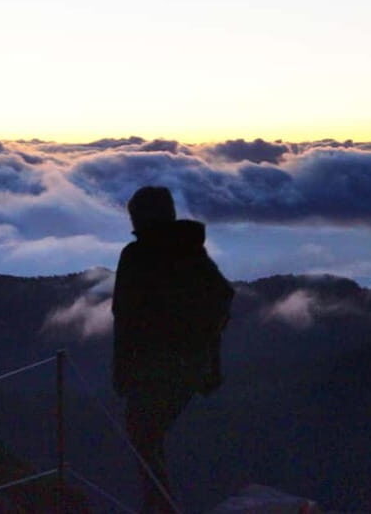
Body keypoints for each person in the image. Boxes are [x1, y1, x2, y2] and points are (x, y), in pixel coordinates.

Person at [112, 186, 234, 513]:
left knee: (141, 437)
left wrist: (121, 371)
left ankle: (160, 507)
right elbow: (222, 297)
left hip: (154, 366)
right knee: (148, 437)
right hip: (191, 365)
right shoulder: (189, 251)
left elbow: (124, 317)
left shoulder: (137, 255)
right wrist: (210, 360)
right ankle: (160, 505)